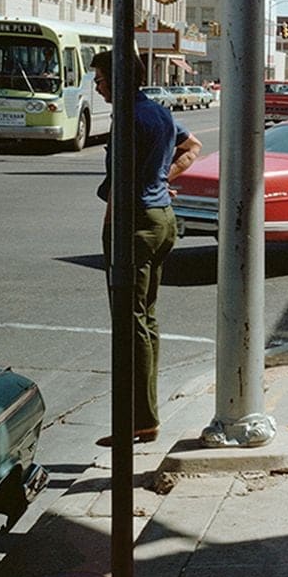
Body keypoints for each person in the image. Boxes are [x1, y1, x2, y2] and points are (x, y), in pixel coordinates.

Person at [91, 49, 202, 447]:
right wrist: (160, 177)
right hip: (163, 218)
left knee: (129, 323)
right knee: (145, 320)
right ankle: (144, 416)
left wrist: (110, 226)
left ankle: (139, 420)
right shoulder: (159, 112)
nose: (98, 86)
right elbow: (193, 146)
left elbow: (118, 183)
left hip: (135, 224)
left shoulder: (129, 118)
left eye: (101, 79)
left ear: (116, 80)